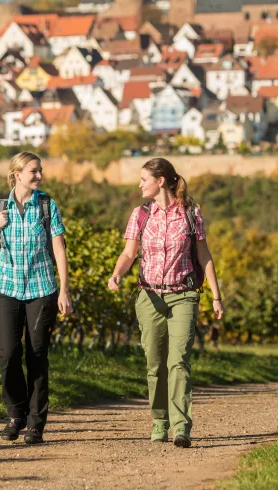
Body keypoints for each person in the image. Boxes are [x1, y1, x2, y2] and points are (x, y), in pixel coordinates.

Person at [107, 158, 224, 449]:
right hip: (149, 297)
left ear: (161, 181)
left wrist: (216, 294)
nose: (139, 184)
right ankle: (160, 420)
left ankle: (181, 426)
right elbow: (128, 253)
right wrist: (117, 273)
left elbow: (204, 255)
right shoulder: (140, 214)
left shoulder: (191, 214)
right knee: (155, 363)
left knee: (179, 361)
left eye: (144, 179)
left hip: (183, 295)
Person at [0, 151, 72, 445]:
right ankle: (15, 413)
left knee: (37, 358)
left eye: (40, 171)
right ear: (17, 174)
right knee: (8, 356)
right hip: (6, 289)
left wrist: (64, 289)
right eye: (33, 171)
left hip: (41, 289)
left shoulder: (47, 205)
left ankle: (35, 424)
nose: (39, 176)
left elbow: (59, 249)